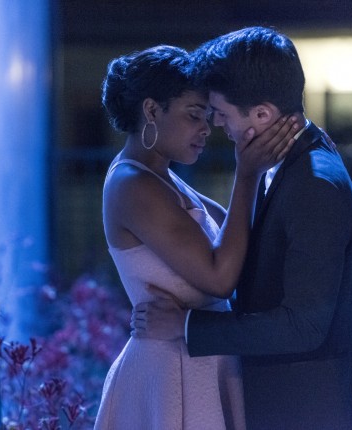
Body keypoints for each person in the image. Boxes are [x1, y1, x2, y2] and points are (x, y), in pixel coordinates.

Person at [132, 27, 352, 429]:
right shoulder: (293, 164)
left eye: (222, 114)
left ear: (261, 115)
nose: (217, 125)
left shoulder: (315, 183)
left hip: (306, 410)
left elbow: (303, 326)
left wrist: (186, 325)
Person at [94, 45, 303, 430]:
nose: (206, 128)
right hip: (171, 374)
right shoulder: (132, 184)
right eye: (194, 115)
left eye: (208, 116)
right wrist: (247, 173)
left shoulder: (164, 178)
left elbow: (240, 242)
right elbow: (219, 278)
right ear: (151, 110)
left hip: (200, 363)